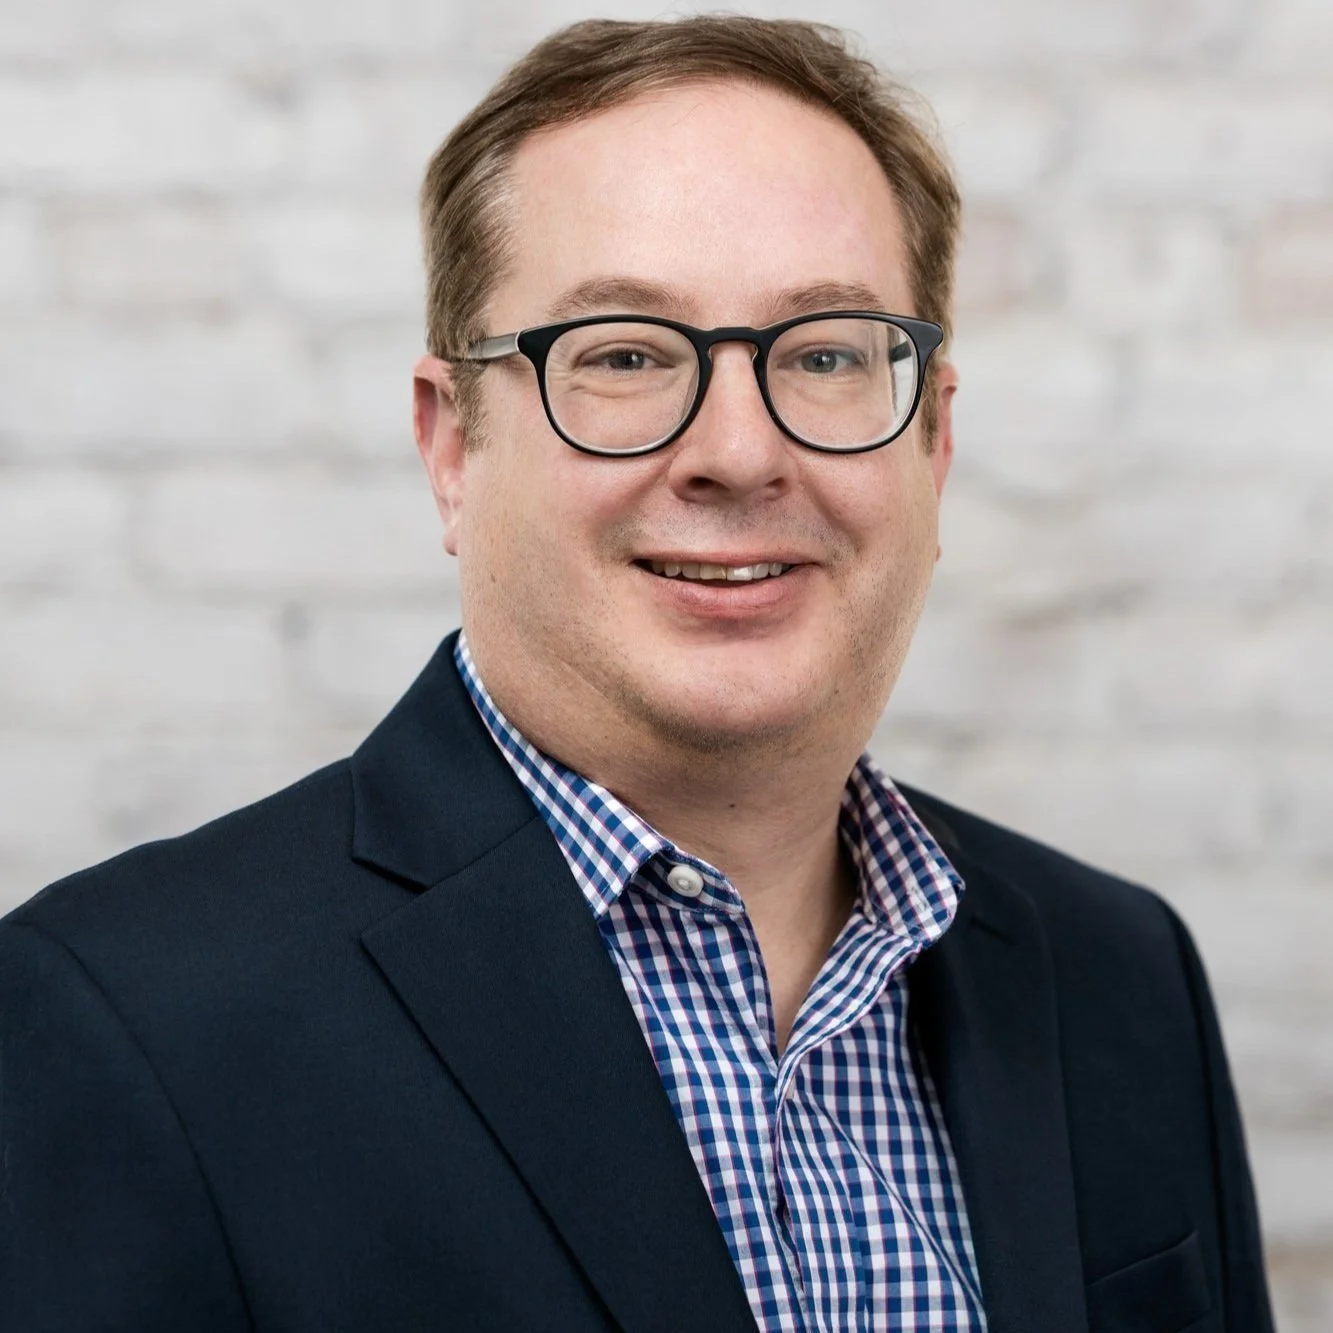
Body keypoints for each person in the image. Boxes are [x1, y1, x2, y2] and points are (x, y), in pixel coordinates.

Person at [0, 16, 1273, 1333]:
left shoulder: (1121, 976)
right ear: (451, 449)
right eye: (622, 355)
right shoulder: (131, 1024)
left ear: (935, 444)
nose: (738, 451)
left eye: (828, 355)